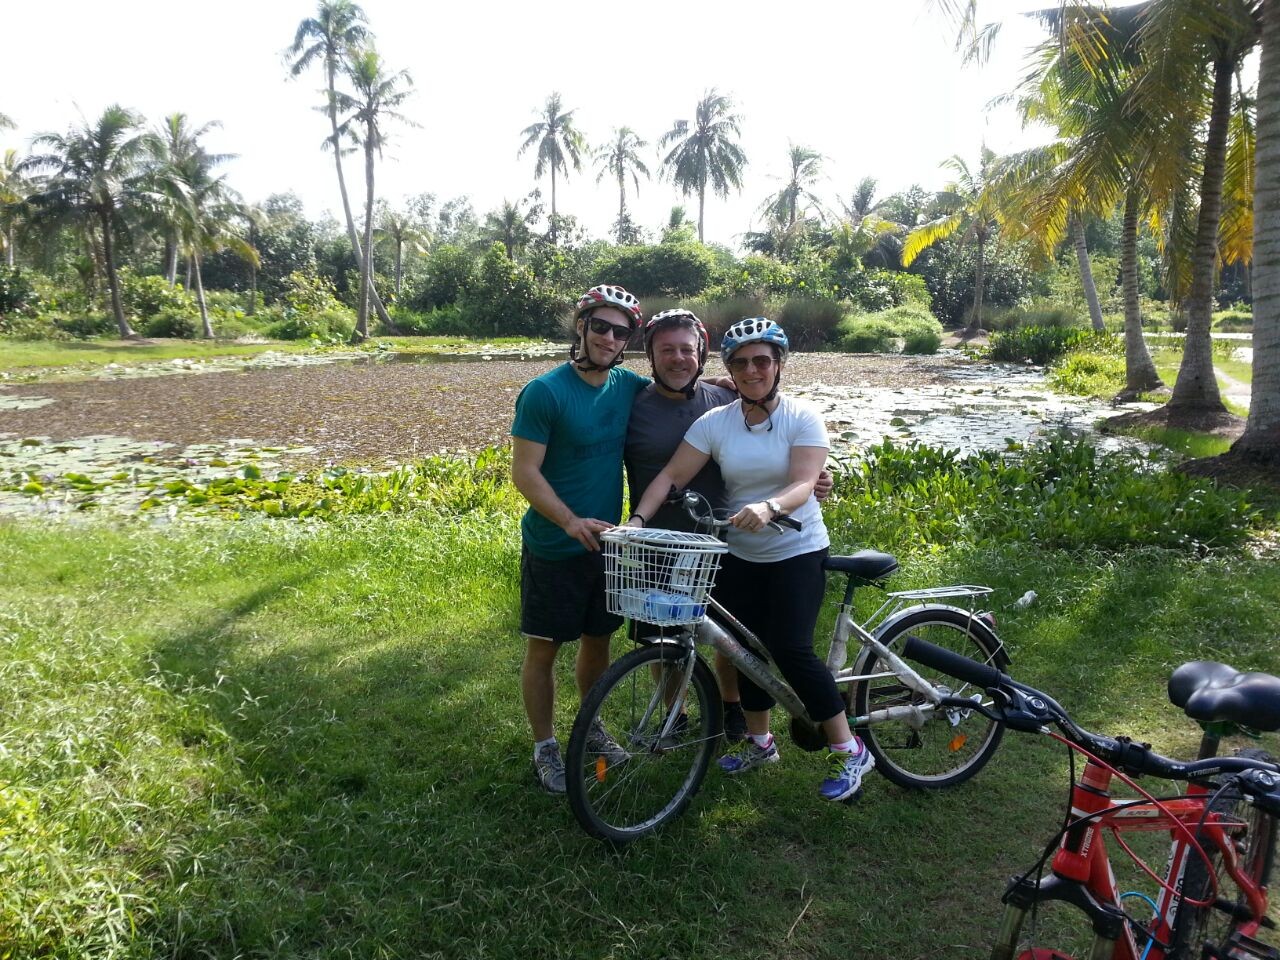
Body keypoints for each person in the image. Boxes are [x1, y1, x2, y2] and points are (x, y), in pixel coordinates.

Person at [626, 317, 873, 802]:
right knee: (744, 651)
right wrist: (637, 520)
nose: (751, 370)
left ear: (779, 364)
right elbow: (670, 476)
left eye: (762, 360)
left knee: (790, 647)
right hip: (739, 553)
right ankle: (761, 742)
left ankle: (850, 750)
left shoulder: (802, 417)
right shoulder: (716, 421)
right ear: (729, 370)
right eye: (740, 362)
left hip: (795, 549)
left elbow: (806, 482)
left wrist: (771, 506)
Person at [511, 284, 649, 794]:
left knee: (599, 639)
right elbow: (525, 473)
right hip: (555, 544)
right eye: (600, 326)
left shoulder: (628, 386)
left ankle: (591, 725)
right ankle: (545, 745)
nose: (609, 338)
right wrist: (569, 521)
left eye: (620, 331)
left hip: (607, 545)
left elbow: (685, 393)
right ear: (581, 327)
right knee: (544, 647)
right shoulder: (545, 392)